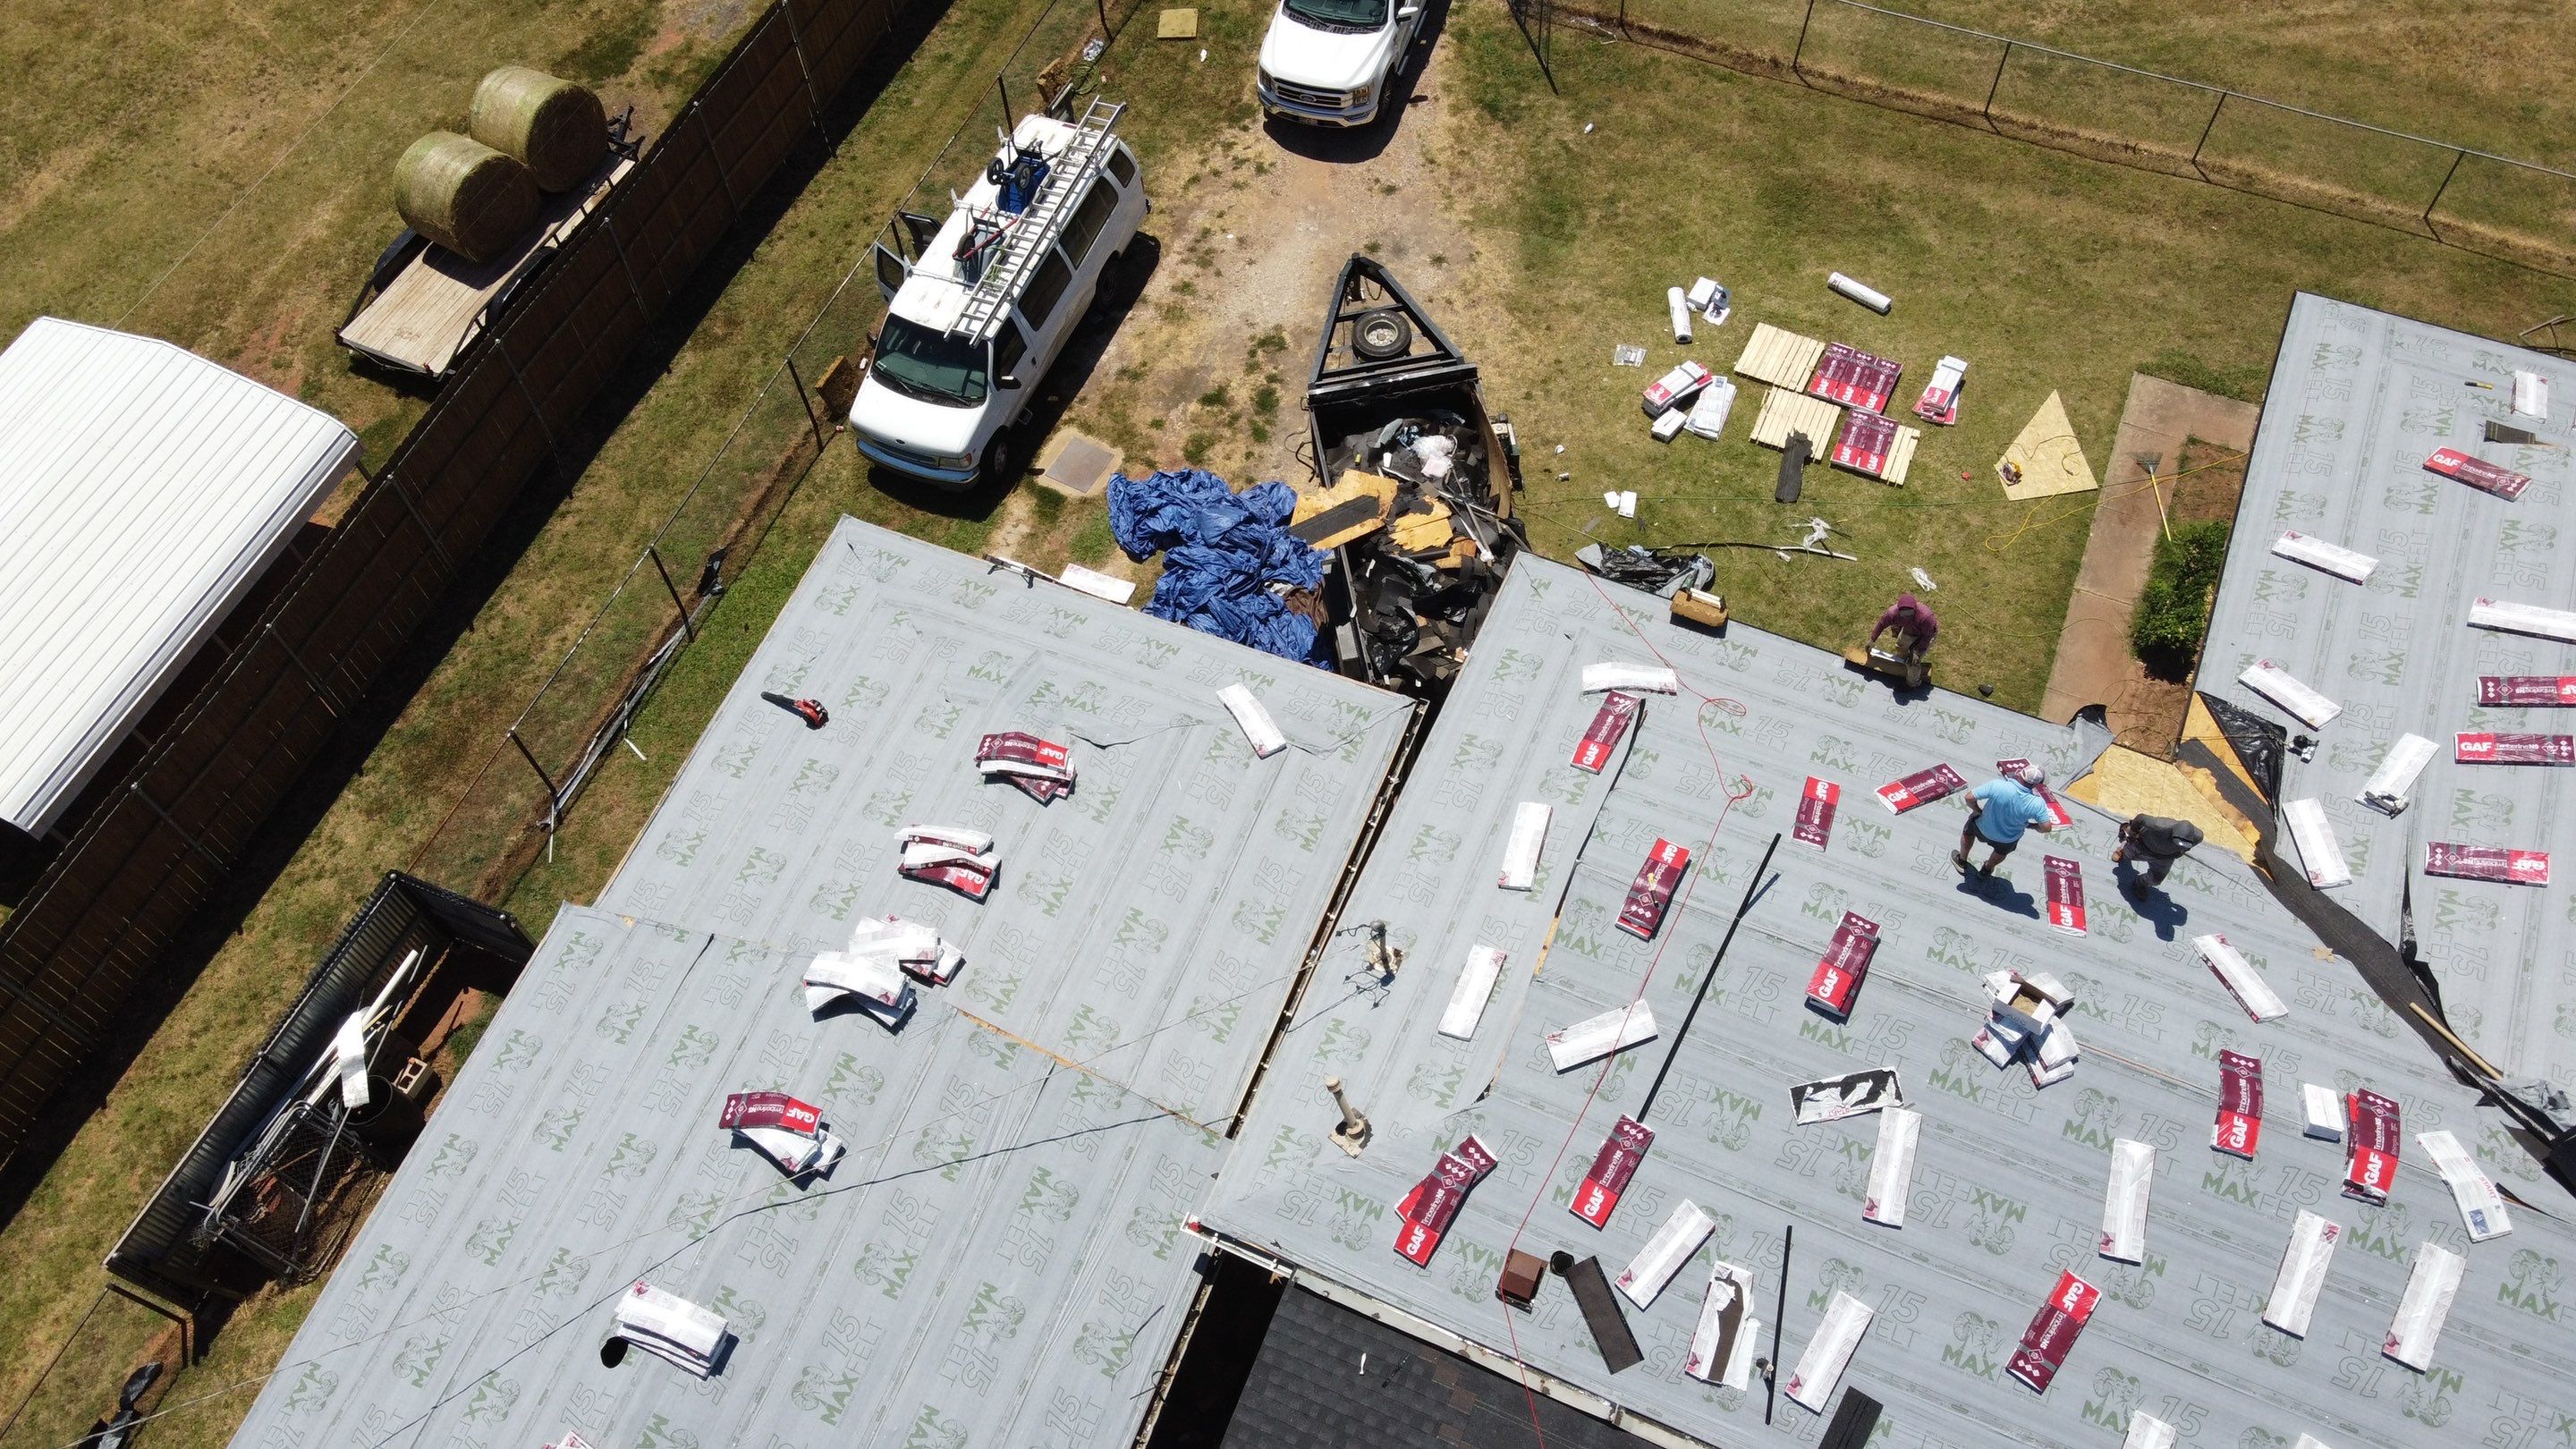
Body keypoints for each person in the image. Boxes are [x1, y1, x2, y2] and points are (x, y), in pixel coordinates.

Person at [1953, 763, 2056, 875]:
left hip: (1982, 828)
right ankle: (1987, 869)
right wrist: (2031, 826)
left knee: (1968, 833)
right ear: (2036, 784)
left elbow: (1969, 797)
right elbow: (2046, 828)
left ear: (2019, 773)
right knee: (2001, 852)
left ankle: (1962, 861)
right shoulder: (2037, 803)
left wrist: (1977, 810)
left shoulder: (1998, 785)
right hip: (2007, 839)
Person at [2115, 814, 2204, 894]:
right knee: (2128, 854)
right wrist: (2132, 833)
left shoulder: (2198, 836)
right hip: (2143, 846)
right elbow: (2140, 818)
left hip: (2165, 857)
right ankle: (2124, 838)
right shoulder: (2158, 825)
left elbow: (2188, 846)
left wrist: (2181, 852)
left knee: (2156, 879)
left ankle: (2140, 882)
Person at [1870, 593, 1939, 665]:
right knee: (1901, 647)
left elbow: (1927, 636)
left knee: (1913, 662)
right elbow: (1882, 624)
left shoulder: (1926, 618)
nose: (1907, 617)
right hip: (1909, 629)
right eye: (1904, 614)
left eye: (1910, 614)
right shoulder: (1892, 613)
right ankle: (1901, 664)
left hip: (1926, 634)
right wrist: (1872, 639)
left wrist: (1918, 652)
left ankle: (1912, 671)